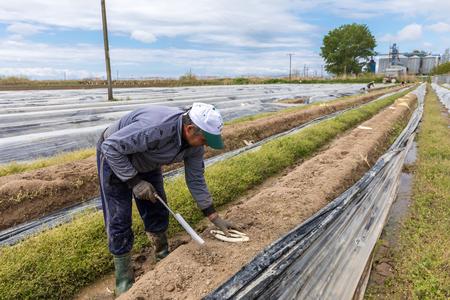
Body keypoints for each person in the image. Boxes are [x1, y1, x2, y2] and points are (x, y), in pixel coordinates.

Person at [96, 102, 237, 295]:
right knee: (119, 218)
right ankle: (124, 282)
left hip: (148, 160)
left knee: (157, 207)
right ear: (189, 129)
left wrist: (214, 217)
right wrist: (134, 181)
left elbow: (196, 178)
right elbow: (110, 147)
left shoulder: (194, 146)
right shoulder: (155, 128)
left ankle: (163, 257)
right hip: (115, 156)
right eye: (204, 140)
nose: (205, 145)